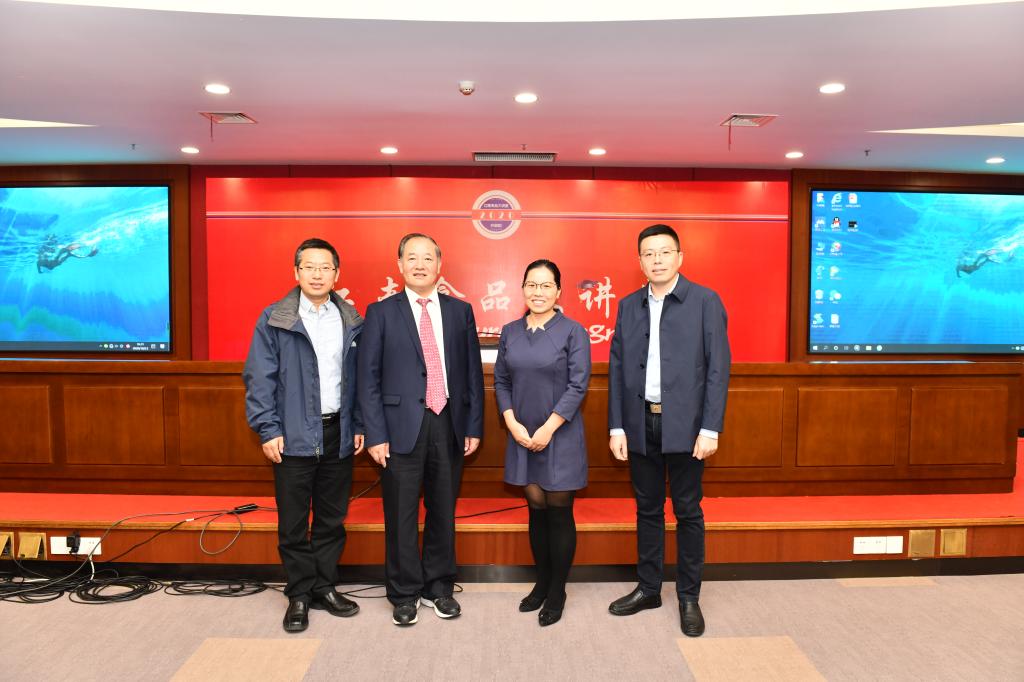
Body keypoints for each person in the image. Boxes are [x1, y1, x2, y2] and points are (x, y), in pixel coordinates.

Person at [607, 224, 731, 637]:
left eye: (664, 252)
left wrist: (710, 428)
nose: (657, 259)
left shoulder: (705, 301)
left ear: (680, 257)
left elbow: (718, 370)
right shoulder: (628, 306)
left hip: (687, 426)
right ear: (639, 261)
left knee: (687, 511)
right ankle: (648, 589)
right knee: (647, 509)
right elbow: (618, 370)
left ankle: (689, 596)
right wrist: (617, 425)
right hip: (640, 422)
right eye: (649, 253)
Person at [357, 232, 485, 627]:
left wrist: (473, 425)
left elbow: (472, 374)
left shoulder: (460, 312)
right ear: (399, 265)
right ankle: (403, 593)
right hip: (398, 429)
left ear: (439, 265)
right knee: (401, 514)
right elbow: (367, 378)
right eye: (411, 257)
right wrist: (375, 434)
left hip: (448, 423)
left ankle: (439, 587)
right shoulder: (381, 312)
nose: (419, 265)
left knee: (443, 510)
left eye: (427, 258)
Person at [243, 237, 364, 633]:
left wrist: (359, 424)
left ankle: (324, 587)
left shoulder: (350, 319)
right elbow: (259, 378)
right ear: (296, 272)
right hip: (291, 434)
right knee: (294, 522)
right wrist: (268, 428)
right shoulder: (275, 318)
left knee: (331, 519)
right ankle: (298, 594)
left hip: (338, 432)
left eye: (325, 267)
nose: (317, 274)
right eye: (309, 266)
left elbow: (360, 380)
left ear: (336, 274)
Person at [494, 259, 591, 627]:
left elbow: (578, 385)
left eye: (546, 285)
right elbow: (502, 381)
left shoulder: (573, 331)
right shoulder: (510, 332)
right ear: (522, 289)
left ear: (558, 291)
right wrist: (511, 422)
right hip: (521, 432)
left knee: (559, 511)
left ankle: (557, 591)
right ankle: (542, 583)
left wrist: (549, 428)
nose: (538, 292)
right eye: (532, 285)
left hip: (559, 433)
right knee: (535, 509)